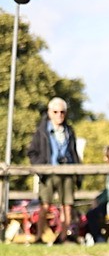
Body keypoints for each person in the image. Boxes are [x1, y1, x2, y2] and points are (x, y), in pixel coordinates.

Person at [27, 97, 81, 243]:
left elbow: (74, 152)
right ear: (50, 112)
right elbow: (32, 152)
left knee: (67, 205)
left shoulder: (69, 131)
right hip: (48, 173)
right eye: (56, 112)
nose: (59, 115)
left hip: (67, 171)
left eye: (62, 112)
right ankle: (39, 237)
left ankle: (63, 237)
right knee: (44, 205)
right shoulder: (41, 131)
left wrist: (78, 174)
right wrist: (41, 167)